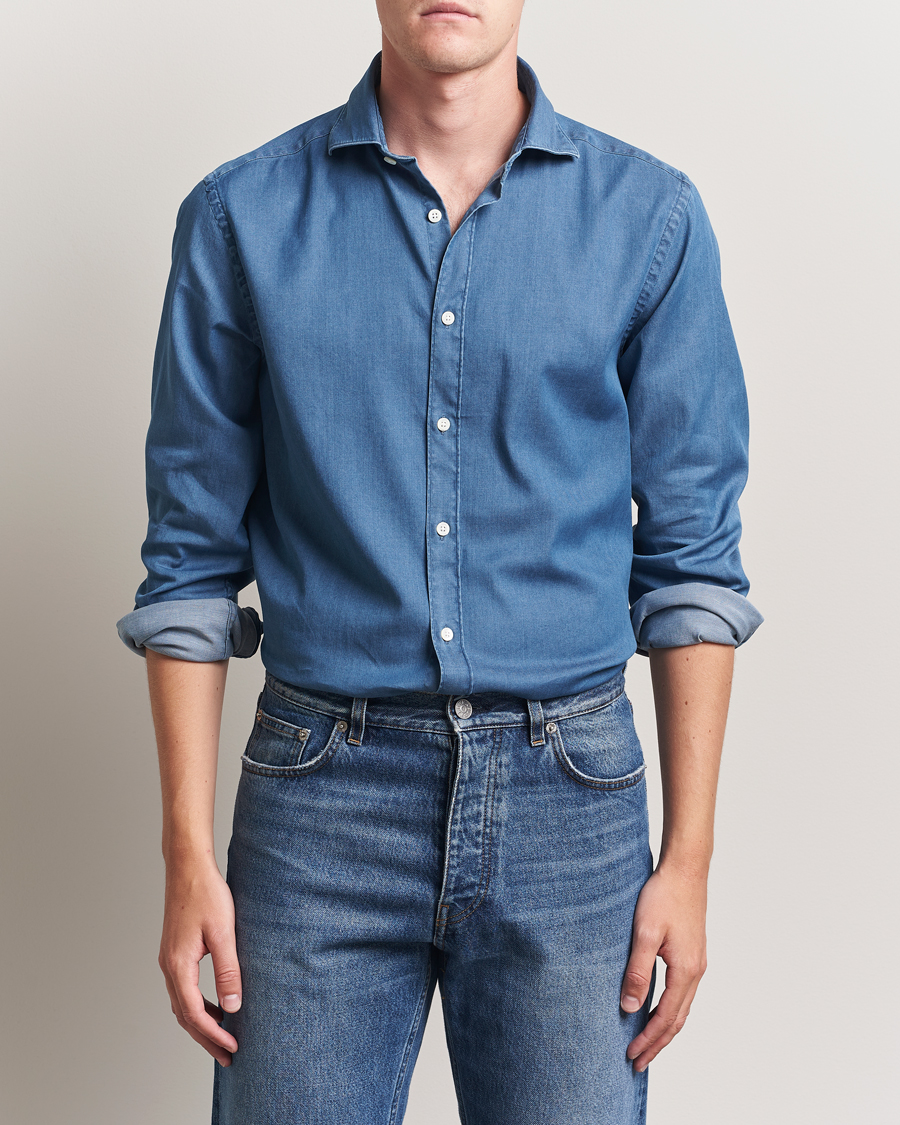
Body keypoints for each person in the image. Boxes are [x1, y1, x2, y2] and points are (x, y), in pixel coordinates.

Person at [116, 2, 763, 1121]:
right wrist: (186, 857)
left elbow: (692, 563)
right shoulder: (240, 218)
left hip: (572, 800)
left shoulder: (649, 218)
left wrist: (689, 859)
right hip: (321, 801)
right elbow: (188, 567)